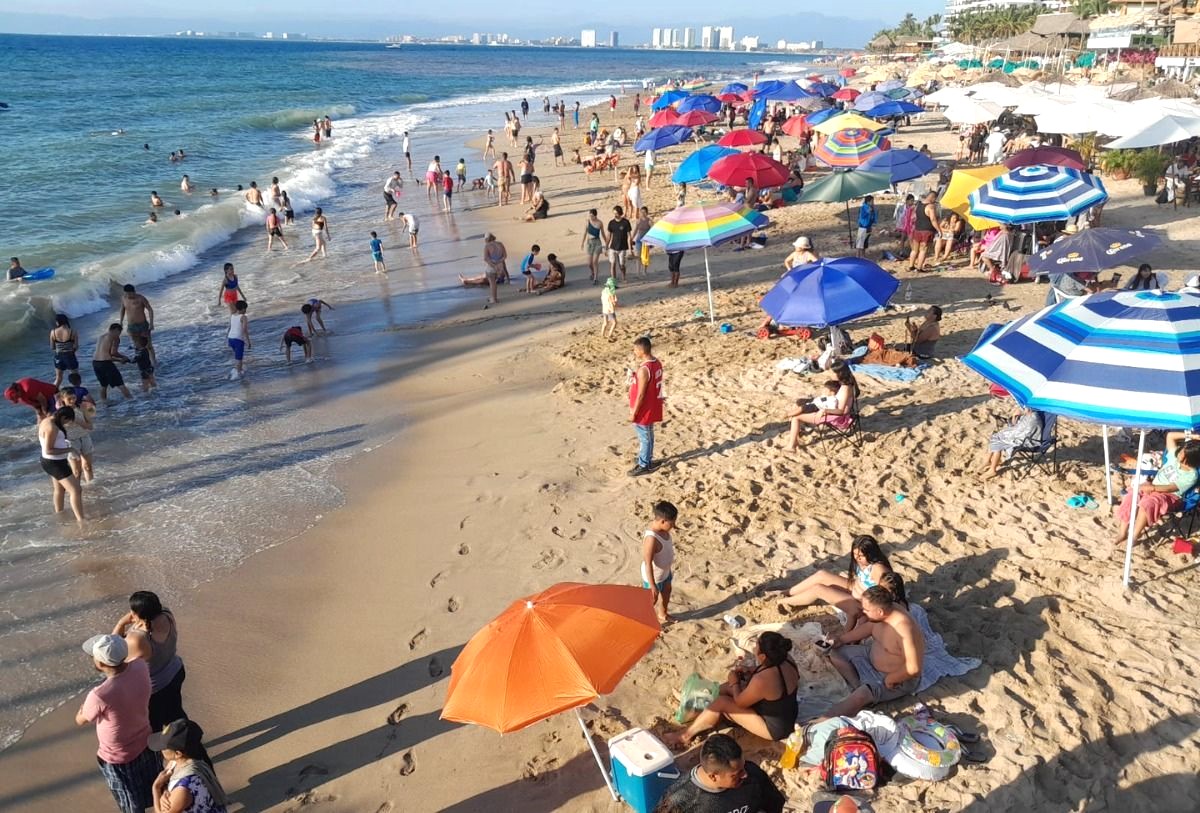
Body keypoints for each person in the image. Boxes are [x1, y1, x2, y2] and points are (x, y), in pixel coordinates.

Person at [664, 632, 800, 747]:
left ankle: (685, 736)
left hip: (773, 728)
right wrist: (750, 671)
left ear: (763, 656)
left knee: (723, 701)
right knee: (729, 688)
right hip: (786, 713)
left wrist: (734, 682)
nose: (754, 648)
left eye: (756, 646)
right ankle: (699, 705)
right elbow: (774, 677)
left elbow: (740, 702)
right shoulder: (787, 658)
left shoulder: (762, 680)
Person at [75, 633, 159, 813]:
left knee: (131, 803)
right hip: (145, 741)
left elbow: (80, 720)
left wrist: (83, 709)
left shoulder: (99, 695)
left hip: (118, 756)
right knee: (153, 789)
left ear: (100, 664)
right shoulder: (140, 666)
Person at [824, 586, 925, 716]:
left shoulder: (904, 629)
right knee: (835, 652)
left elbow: (914, 668)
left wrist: (891, 679)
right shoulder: (881, 615)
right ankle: (857, 685)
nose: (863, 612)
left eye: (866, 610)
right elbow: (869, 627)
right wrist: (842, 639)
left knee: (860, 696)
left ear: (880, 612)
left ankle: (817, 724)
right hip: (871, 655)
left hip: (894, 679)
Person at [778, 534, 892, 627]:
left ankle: (783, 602)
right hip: (854, 587)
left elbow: (883, 598)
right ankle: (787, 592)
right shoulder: (863, 562)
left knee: (818, 589)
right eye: (855, 555)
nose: (857, 558)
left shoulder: (878, 569)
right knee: (821, 575)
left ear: (871, 554)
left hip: (861, 603)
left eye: (861, 556)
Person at [654, 734, 785, 813]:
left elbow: (775, 805)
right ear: (713, 776)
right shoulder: (680, 802)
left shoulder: (753, 776)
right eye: (736, 774)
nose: (745, 774)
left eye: (743, 766)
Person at [113, 591, 186, 730]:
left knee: (153, 727)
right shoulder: (167, 614)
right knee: (175, 714)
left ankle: (168, 749)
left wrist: (121, 623)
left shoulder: (137, 638)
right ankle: (189, 744)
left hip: (155, 688)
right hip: (175, 671)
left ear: (137, 614)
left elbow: (113, 651)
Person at [1114, 432, 1200, 546]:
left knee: (1147, 503)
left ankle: (1134, 535)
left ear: (1189, 458)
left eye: (1182, 453)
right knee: (1131, 496)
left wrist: (1152, 488)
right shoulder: (1174, 456)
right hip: (1153, 486)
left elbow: (1171, 488)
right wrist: (1193, 437)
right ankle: (1122, 532)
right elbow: (1170, 436)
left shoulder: (1191, 475)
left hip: (1171, 496)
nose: (1179, 453)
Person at [149, 719, 230, 813]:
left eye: (163, 748)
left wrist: (156, 788)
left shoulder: (184, 789)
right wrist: (166, 791)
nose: (160, 750)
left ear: (178, 753)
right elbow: (170, 781)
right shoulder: (186, 761)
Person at [782, 360, 857, 451]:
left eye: (833, 372)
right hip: (831, 409)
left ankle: (791, 446)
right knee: (801, 404)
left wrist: (824, 410)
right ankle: (795, 438)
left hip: (836, 416)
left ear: (840, 373)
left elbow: (841, 411)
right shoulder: (846, 384)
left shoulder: (845, 388)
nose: (831, 374)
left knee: (796, 418)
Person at [39, 406, 85, 523]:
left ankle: (60, 515)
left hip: (51, 461)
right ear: (63, 417)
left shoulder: (47, 420)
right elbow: (48, 450)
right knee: (76, 490)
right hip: (54, 463)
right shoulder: (52, 427)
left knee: (59, 489)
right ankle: (81, 520)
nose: (65, 424)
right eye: (66, 421)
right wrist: (70, 449)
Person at [628, 336, 664, 476]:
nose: (634, 352)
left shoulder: (644, 369)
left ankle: (644, 465)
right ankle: (646, 459)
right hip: (652, 404)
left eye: (635, 349)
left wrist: (634, 413)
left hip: (644, 409)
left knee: (645, 437)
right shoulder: (657, 363)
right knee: (648, 435)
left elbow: (641, 395)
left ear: (641, 350)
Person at [641, 501, 677, 623]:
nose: (674, 525)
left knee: (666, 593)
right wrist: (652, 585)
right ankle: (647, 623)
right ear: (662, 521)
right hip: (654, 577)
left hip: (665, 573)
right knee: (651, 601)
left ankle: (663, 614)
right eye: (672, 523)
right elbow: (648, 563)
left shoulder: (664, 531)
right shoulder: (651, 539)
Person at [981, 406, 1042, 480]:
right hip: (1019, 435)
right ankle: (988, 461)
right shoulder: (1027, 415)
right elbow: (1014, 425)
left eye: (1024, 408)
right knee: (995, 436)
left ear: (1029, 408)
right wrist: (1014, 416)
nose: (1022, 409)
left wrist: (1010, 435)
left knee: (998, 442)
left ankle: (992, 470)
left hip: (1027, 441)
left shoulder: (1033, 419)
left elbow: (1024, 433)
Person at [56, 385, 96, 482]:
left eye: (74, 398)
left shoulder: (81, 407)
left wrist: (77, 421)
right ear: (62, 399)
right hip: (70, 441)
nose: (72, 401)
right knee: (77, 471)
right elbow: (57, 429)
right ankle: (77, 491)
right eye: (69, 399)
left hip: (84, 437)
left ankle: (91, 488)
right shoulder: (61, 412)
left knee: (87, 466)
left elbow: (90, 426)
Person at [93, 323, 134, 403]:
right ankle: (132, 401)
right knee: (120, 384)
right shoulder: (115, 338)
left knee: (103, 385)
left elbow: (106, 353)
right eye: (119, 332)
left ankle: (104, 403)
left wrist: (121, 358)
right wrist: (123, 358)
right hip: (106, 363)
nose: (119, 334)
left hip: (95, 363)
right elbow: (113, 353)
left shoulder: (101, 337)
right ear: (115, 330)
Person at [120, 284, 156, 367]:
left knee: (148, 346)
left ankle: (154, 363)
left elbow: (150, 310)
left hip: (143, 325)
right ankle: (141, 362)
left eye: (129, 294)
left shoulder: (141, 298)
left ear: (134, 292)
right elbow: (122, 310)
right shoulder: (123, 298)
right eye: (126, 294)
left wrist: (151, 323)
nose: (128, 296)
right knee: (137, 346)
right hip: (131, 326)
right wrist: (121, 321)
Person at [50, 314, 80, 387]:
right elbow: (76, 346)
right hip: (70, 355)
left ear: (58, 322)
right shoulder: (72, 331)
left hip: (58, 356)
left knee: (58, 378)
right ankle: (77, 394)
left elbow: (52, 347)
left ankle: (52, 393)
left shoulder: (53, 332)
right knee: (75, 378)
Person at [909, 192, 937, 272]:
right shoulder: (930, 207)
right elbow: (933, 220)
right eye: (935, 199)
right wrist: (939, 230)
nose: (935, 201)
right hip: (927, 230)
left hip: (917, 229)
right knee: (923, 250)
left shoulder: (918, 205)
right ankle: (919, 267)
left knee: (914, 250)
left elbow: (914, 217)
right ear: (932, 197)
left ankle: (911, 266)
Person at [581, 209, 607, 284]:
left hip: (597, 242)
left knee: (595, 261)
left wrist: (607, 244)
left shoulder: (600, 223)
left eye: (592, 215)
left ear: (595, 215)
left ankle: (596, 278)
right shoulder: (587, 222)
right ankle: (593, 272)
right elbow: (585, 232)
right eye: (590, 215)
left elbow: (603, 234)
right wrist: (582, 243)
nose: (590, 217)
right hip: (589, 242)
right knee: (589, 263)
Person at [607, 206, 633, 282]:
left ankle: (624, 277)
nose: (615, 215)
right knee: (613, 264)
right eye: (614, 213)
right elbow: (609, 235)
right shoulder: (611, 223)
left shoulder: (625, 222)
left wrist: (630, 249)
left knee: (622, 265)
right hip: (613, 247)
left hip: (622, 247)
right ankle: (613, 280)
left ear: (620, 213)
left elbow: (629, 236)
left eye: (616, 213)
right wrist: (606, 247)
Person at [227, 301, 250, 379]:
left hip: (230, 338)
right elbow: (244, 330)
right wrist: (248, 341)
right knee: (239, 358)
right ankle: (239, 375)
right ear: (242, 308)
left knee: (237, 356)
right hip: (238, 339)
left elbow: (230, 327)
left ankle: (238, 370)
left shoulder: (232, 315)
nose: (246, 310)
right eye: (245, 309)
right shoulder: (243, 317)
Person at [483, 233, 507, 306]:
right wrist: (499, 262)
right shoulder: (500, 244)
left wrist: (493, 265)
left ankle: (494, 298)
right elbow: (505, 256)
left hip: (492, 266)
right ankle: (493, 297)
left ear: (486, 239)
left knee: (492, 283)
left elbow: (486, 258)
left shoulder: (487, 246)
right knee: (494, 282)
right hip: (500, 265)